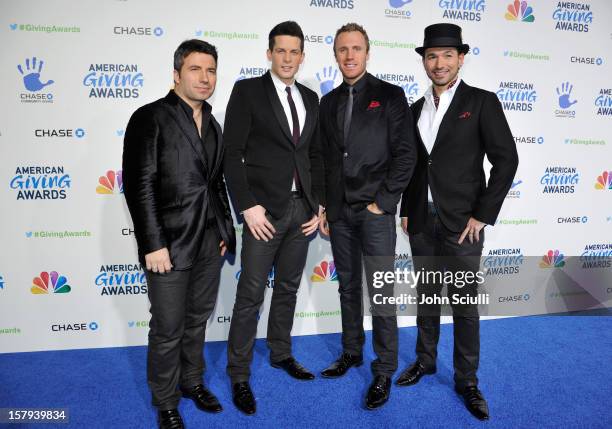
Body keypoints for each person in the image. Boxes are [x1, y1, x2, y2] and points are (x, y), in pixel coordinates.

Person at [397, 23, 519, 421]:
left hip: (462, 224)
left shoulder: (482, 102)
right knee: (428, 298)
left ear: (461, 58)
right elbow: (414, 165)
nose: (439, 63)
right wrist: (405, 208)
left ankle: (467, 380)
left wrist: (483, 215)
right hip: (421, 221)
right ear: (424, 61)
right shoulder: (415, 109)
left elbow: (506, 160)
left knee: (464, 306)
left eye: (448, 55)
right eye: (432, 56)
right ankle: (425, 360)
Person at [122, 39, 236, 429]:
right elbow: (140, 185)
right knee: (168, 326)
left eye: (211, 70)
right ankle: (166, 400)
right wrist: (152, 243)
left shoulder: (214, 124)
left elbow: (216, 183)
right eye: (195, 69)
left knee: (197, 320)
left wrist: (224, 229)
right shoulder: (149, 117)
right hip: (167, 244)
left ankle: (192, 382)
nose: (205, 78)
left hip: (208, 240)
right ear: (176, 74)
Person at [223, 21, 325, 415]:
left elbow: (314, 156)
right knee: (250, 295)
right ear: (269, 53)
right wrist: (247, 206)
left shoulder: (312, 98)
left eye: (294, 51)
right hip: (263, 214)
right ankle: (238, 374)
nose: (287, 58)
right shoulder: (247, 91)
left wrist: (319, 204)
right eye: (280, 51)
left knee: (287, 289)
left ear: (302, 55)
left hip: (302, 212)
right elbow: (232, 153)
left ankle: (281, 353)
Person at [318, 22, 416, 410]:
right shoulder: (328, 103)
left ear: (367, 52)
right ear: (335, 55)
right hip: (340, 213)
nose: (349, 55)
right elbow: (326, 159)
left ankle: (384, 368)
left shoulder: (390, 95)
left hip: (375, 213)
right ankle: (351, 352)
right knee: (347, 289)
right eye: (342, 49)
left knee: (381, 293)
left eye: (356, 48)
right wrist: (325, 205)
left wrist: (384, 202)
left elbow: (405, 154)